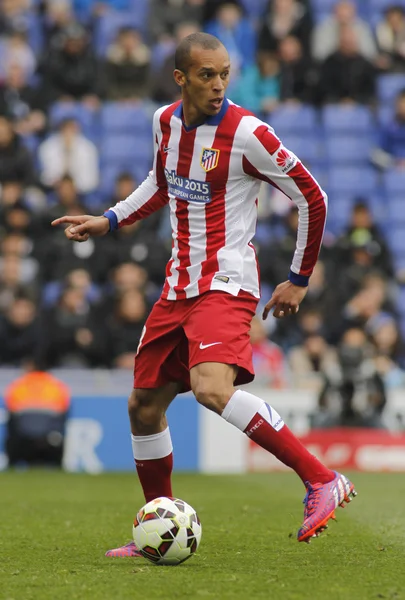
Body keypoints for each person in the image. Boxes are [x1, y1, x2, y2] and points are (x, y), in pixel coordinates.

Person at [52, 32, 356, 554]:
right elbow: (160, 182)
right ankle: (156, 527)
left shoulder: (248, 133)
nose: (218, 86)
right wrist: (110, 219)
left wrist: (299, 279)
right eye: (206, 76)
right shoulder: (164, 123)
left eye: (224, 75)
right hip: (179, 286)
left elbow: (314, 197)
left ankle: (321, 479)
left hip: (227, 281)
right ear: (181, 78)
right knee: (143, 406)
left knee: (212, 387)